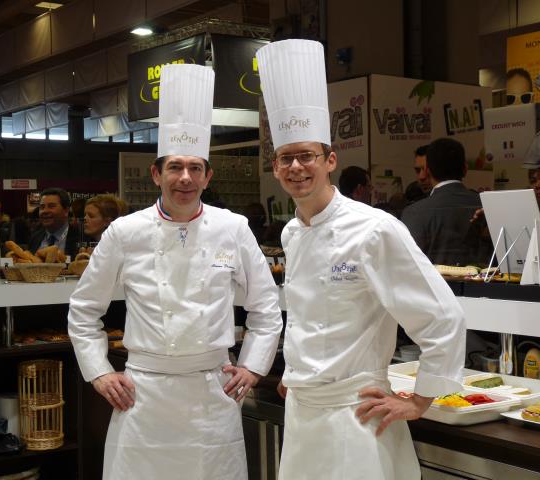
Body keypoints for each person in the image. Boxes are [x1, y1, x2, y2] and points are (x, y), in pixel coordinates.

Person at [257, 38, 466, 479]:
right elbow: (308, 313)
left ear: (330, 160)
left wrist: (421, 399)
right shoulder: (293, 233)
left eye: (307, 156)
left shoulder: (375, 228)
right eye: (285, 159)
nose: (296, 168)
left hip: (357, 415)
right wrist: (296, 371)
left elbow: (443, 315)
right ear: (275, 168)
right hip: (301, 412)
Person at [68, 63, 282, 480]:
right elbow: (83, 310)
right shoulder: (125, 232)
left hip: (212, 391)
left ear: (207, 175)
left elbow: (265, 306)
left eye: (195, 168)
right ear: (156, 173)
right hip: (143, 392)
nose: (185, 178)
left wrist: (254, 366)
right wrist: (99, 372)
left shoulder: (232, 227)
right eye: (175, 167)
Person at [402, 137, 489, 266]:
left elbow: (407, 264)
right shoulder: (488, 207)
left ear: (428, 170)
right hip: (485, 285)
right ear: (465, 169)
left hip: (433, 285)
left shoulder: (414, 212)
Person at [28, 188, 79, 258]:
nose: (45, 211)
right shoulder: (35, 238)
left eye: (51, 206)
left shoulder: (81, 238)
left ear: (66, 211)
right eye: (42, 207)